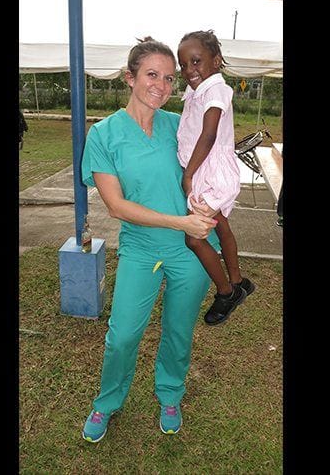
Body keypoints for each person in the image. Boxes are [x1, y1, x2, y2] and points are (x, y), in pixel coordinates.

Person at [80, 37, 219, 443]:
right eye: (152, 75)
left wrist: (210, 205)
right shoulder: (104, 134)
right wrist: (181, 221)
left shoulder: (180, 125)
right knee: (122, 335)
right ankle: (107, 402)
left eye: (169, 78)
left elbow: (213, 164)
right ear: (130, 78)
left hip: (190, 251)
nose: (161, 85)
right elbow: (117, 207)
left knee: (179, 331)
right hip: (142, 249)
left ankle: (170, 394)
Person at [176, 30, 255, 326]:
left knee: (194, 239)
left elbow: (208, 135)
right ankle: (238, 281)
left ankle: (225, 292)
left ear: (216, 60)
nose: (189, 70)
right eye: (183, 65)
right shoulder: (198, 90)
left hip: (207, 172)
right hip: (207, 170)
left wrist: (188, 175)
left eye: (196, 61)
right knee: (221, 226)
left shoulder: (215, 89)